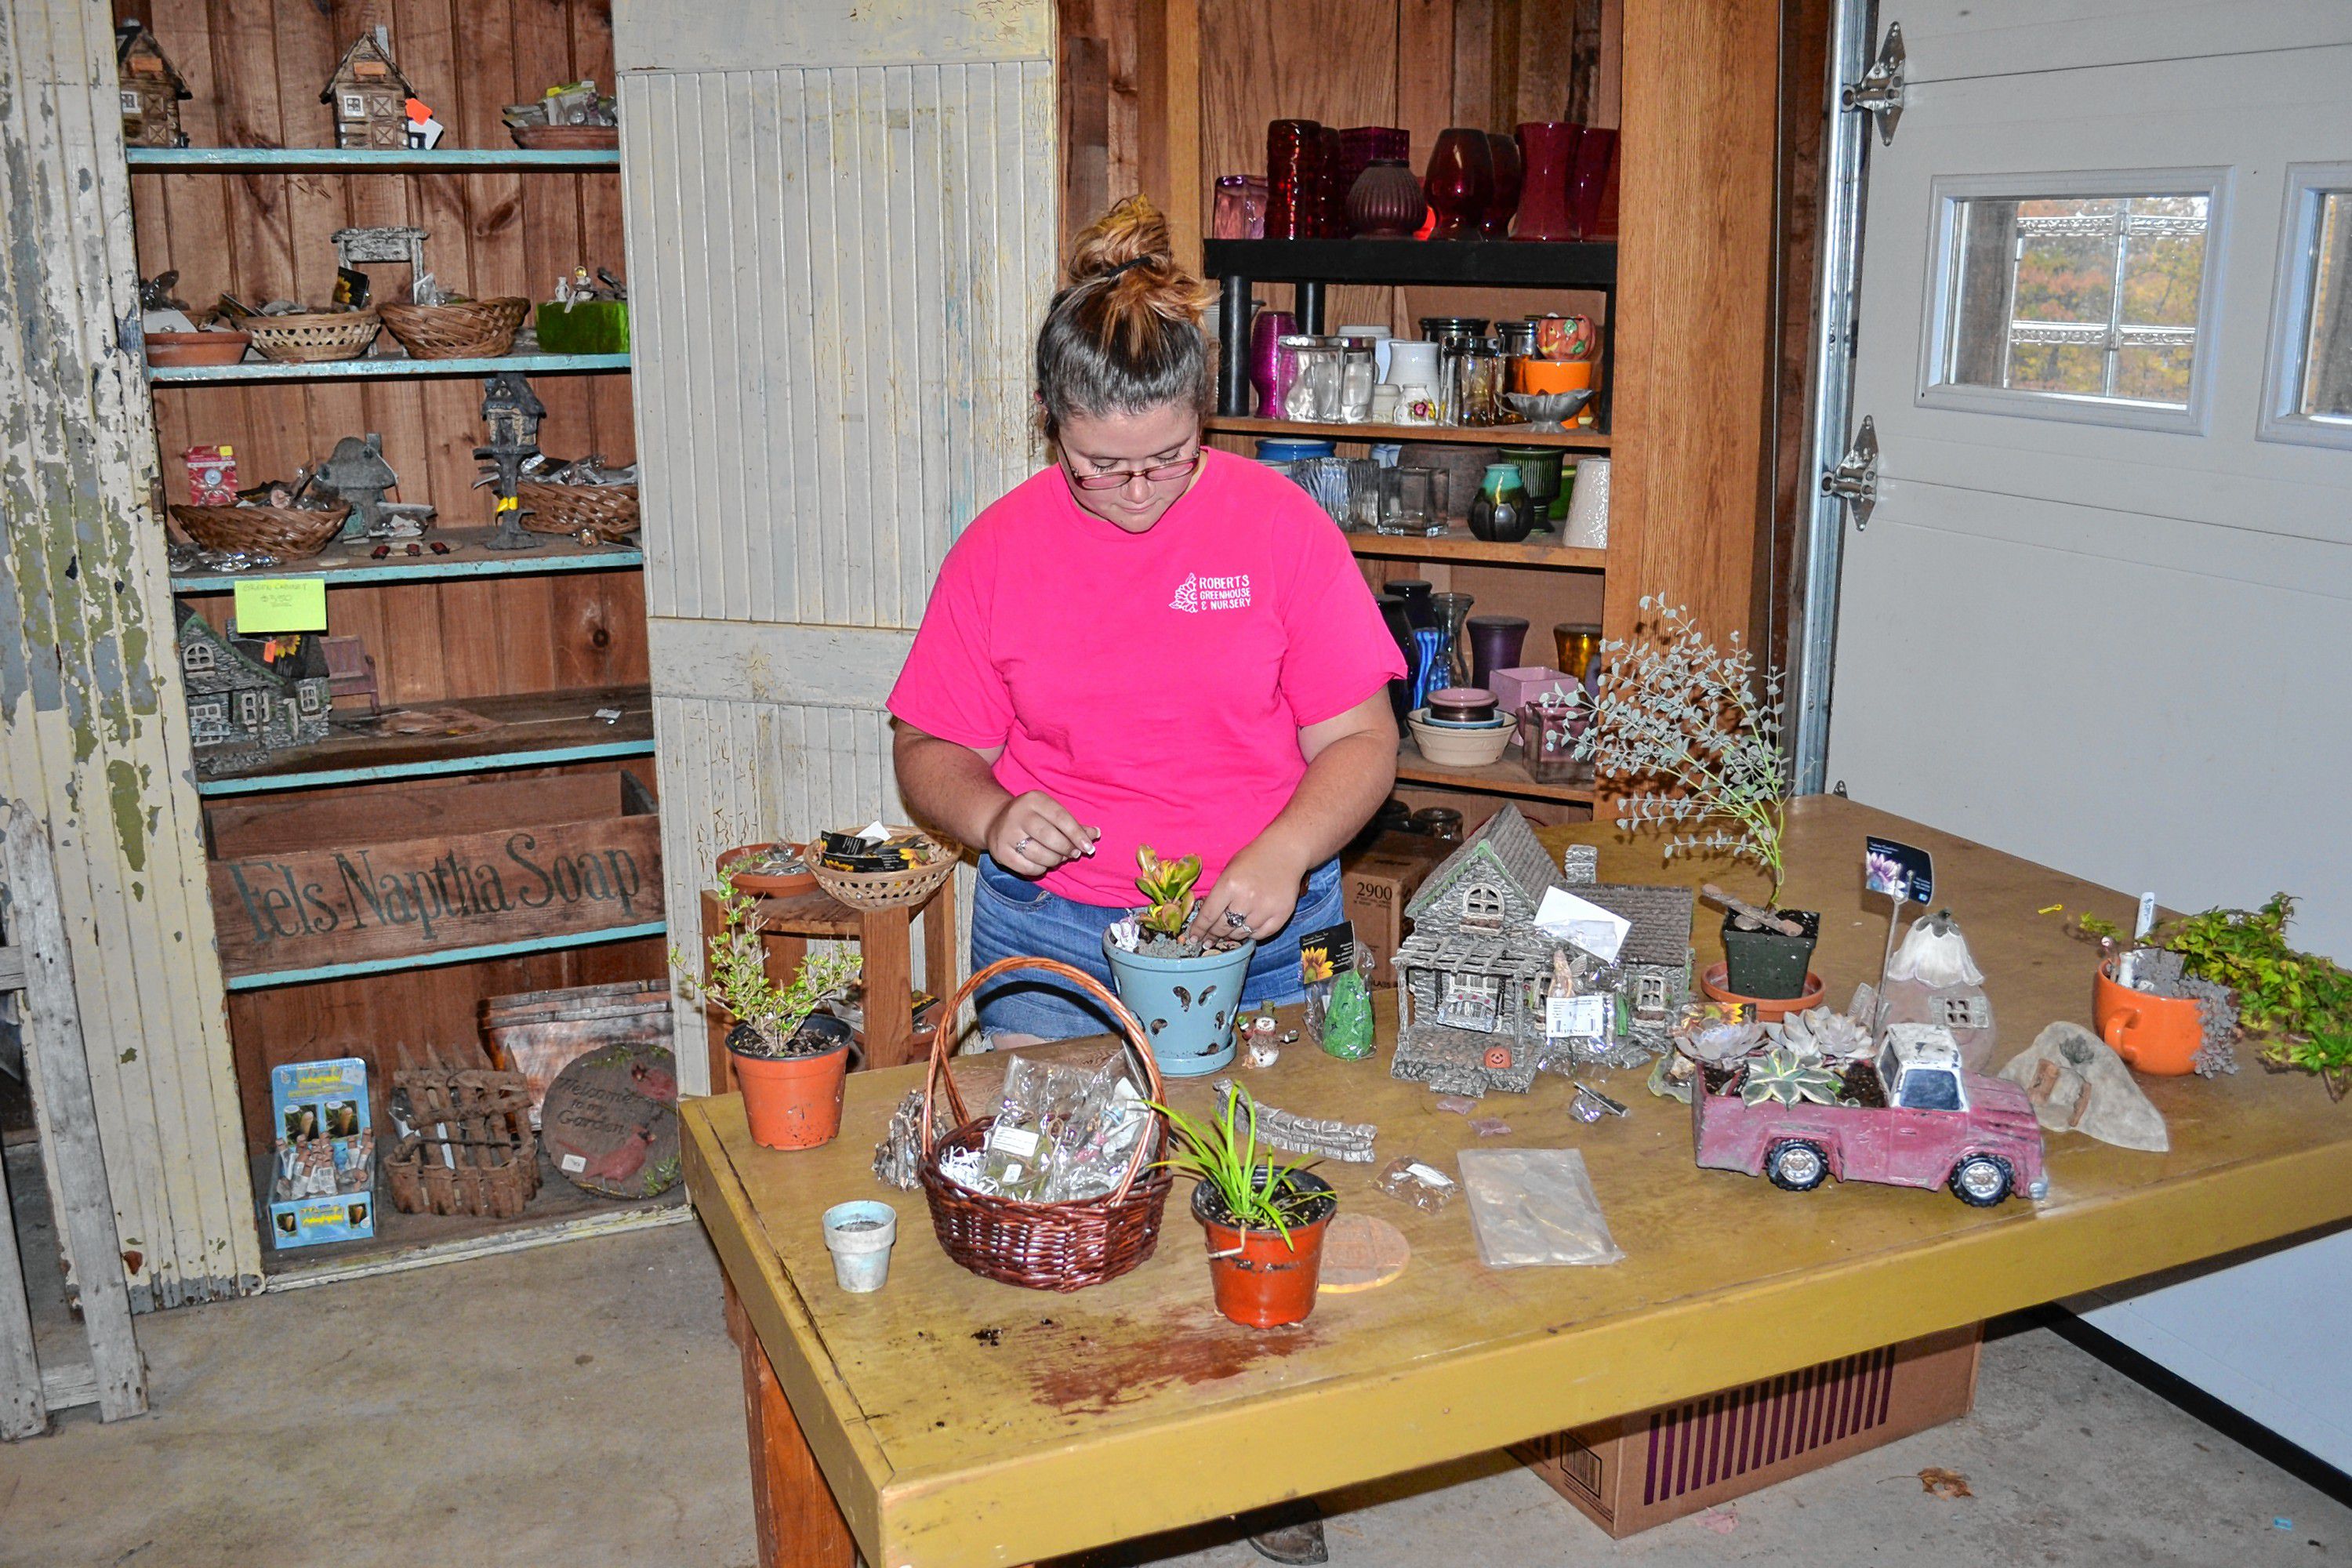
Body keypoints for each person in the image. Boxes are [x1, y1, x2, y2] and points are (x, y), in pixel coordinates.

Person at [888, 195, 1405, 1044]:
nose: (1136, 492)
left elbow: (1362, 742)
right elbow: (928, 747)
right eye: (1100, 466)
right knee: (1054, 1167)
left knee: (1270, 1165)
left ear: (1202, 408)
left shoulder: (1283, 527)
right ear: (1048, 416)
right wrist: (990, 816)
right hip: (1054, 933)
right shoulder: (998, 549)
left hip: (1262, 925)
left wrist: (1287, 850)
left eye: (1168, 458)